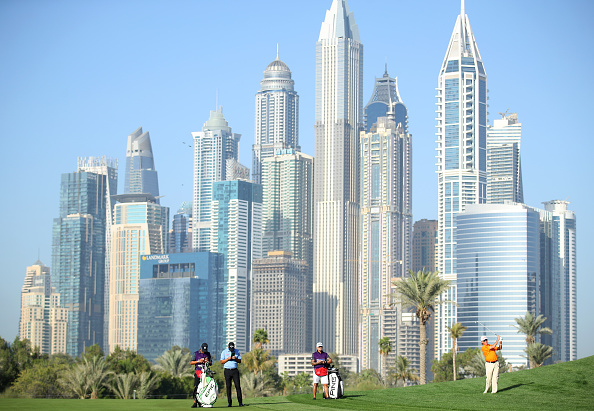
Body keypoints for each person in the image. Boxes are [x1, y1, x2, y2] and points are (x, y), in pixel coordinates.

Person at [220, 341, 243, 407]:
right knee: (228, 386)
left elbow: (240, 361)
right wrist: (228, 359)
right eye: (230, 349)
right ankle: (229, 403)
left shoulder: (237, 351)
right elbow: (221, 361)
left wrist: (235, 359)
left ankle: (240, 402)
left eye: (232, 349)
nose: (231, 350)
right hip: (227, 371)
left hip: (235, 371)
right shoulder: (224, 352)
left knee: (238, 386)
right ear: (228, 347)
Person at [190, 342, 212, 408]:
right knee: (196, 387)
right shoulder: (196, 353)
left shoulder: (208, 354)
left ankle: (202, 402)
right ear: (201, 348)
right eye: (203, 350)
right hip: (198, 372)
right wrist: (198, 361)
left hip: (205, 373)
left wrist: (208, 361)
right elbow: (191, 362)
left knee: (205, 388)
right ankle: (195, 402)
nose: (204, 352)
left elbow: (211, 363)